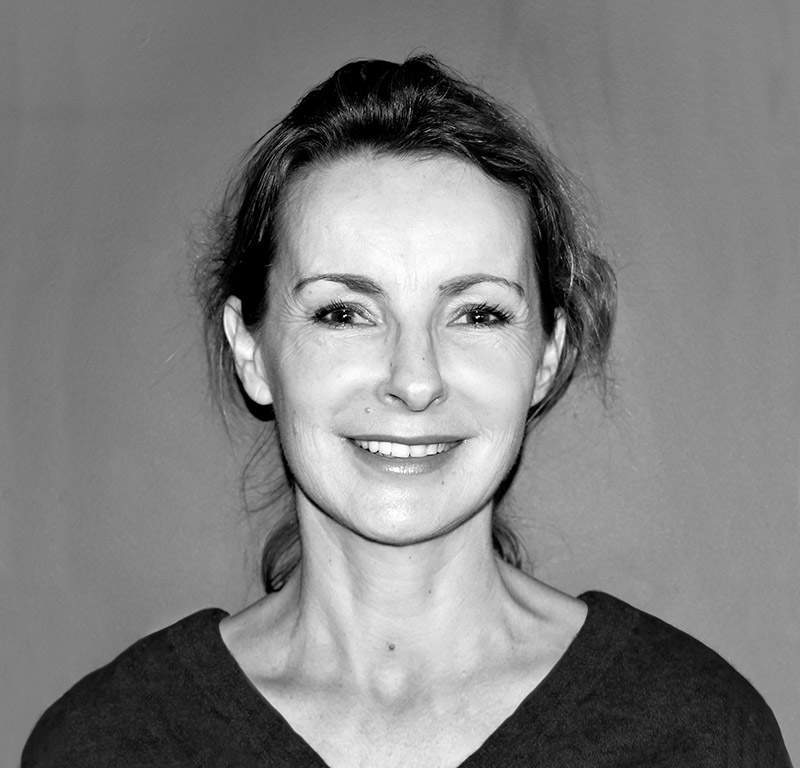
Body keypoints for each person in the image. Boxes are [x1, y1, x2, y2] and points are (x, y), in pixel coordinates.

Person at [22, 54, 791, 767]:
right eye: (343, 313)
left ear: (546, 356)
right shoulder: (106, 744)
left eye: (478, 314)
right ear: (250, 350)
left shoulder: (698, 734)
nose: (414, 380)